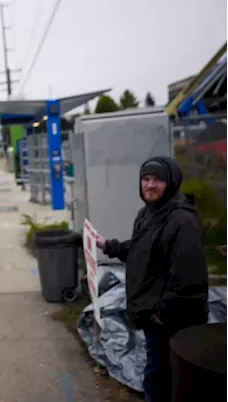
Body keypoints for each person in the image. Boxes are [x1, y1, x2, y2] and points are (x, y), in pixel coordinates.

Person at [96, 156, 208, 402]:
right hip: (153, 315)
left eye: (158, 179)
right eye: (146, 179)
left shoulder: (182, 221)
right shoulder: (149, 214)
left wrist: (161, 315)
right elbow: (141, 249)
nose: (150, 185)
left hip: (171, 320)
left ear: (172, 183)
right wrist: (109, 246)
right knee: (159, 376)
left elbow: (188, 279)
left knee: (161, 379)